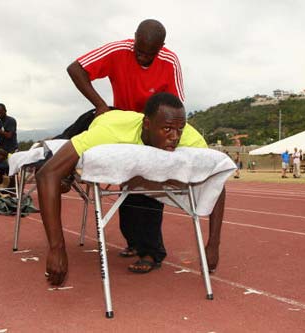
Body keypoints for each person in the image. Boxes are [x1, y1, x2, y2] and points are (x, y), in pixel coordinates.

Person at [36, 93, 226, 285]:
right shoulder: (109, 132)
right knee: (53, 159)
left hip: (126, 119)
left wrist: (213, 244)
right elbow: (46, 174)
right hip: (97, 119)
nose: (175, 137)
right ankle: (51, 150)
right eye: (167, 129)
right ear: (147, 125)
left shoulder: (191, 138)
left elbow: (216, 181)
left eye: (179, 130)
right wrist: (56, 248)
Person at [66, 19, 184, 263]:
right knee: (127, 185)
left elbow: (176, 106)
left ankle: (151, 251)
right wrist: (100, 105)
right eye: (139, 51)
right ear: (134, 39)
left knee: (148, 188)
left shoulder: (170, 62)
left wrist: (165, 137)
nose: (142, 58)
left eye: (149, 55)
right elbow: (75, 68)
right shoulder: (118, 50)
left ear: (161, 48)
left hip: (150, 131)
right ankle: (54, 160)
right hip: (122, 123)